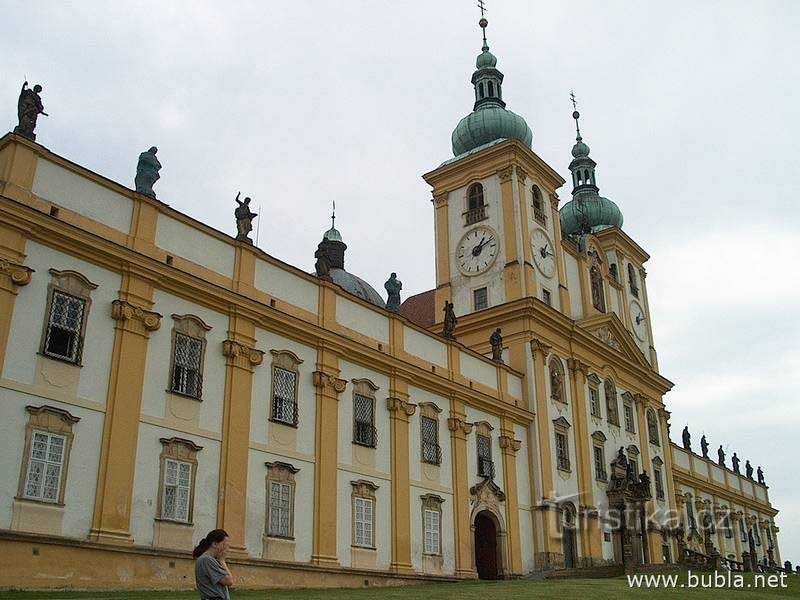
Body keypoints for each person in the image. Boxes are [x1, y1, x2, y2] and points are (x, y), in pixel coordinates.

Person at [193, 529, 234, 600]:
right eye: (224, 545)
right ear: (214, 544)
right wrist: (222, 561)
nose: (226, 549)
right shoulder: (206, 560)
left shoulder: (210, 559)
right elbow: (228, 581)